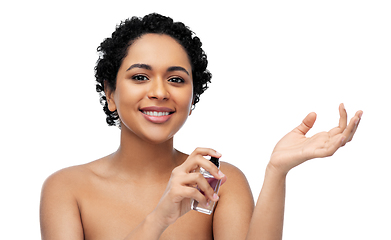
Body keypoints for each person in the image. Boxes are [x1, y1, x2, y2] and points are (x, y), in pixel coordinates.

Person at [40, 13, 363, 240]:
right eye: (140, 76)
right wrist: (160, 217)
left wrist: (276, 172)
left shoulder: (220, 182)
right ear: (110, 93)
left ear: (192, 99)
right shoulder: (66, 189)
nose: (159, 91)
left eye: (176, 79)